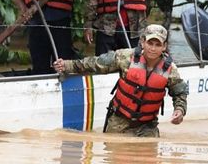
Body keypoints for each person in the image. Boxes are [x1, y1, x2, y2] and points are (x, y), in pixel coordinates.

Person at [52, 24, 186, 137]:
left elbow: (180, 92)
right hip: (118, 121)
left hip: (148, 127)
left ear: (164, 46)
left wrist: (179, 111)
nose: (153, 48)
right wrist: (68, 65)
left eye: (158, 44)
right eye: (150, 43)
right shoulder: (125, 57)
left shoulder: (170, 69)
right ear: (142, 41)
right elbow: (95, 64)